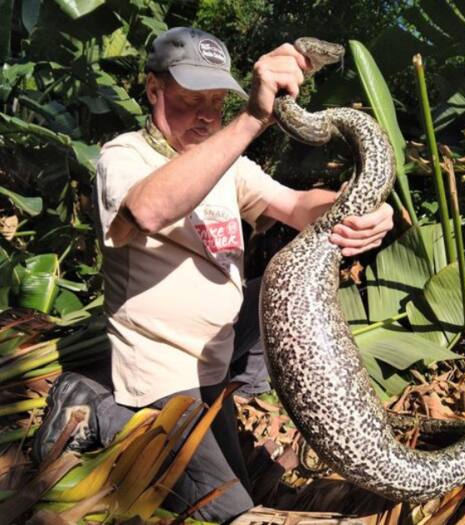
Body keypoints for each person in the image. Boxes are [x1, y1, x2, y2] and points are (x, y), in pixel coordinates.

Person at [31, 27, 393, 521]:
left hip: (217, 355)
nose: (206, 115)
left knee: (274, 290)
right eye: (190, 99)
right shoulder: (124, 155)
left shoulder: (229, 165)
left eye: (218, 101)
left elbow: (300, 206)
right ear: (154, 89)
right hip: (163, 372)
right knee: (230, 511)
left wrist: (362, 207)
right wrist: (249, 120)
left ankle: (232, 383)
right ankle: (103, 409)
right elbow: (148, 210)